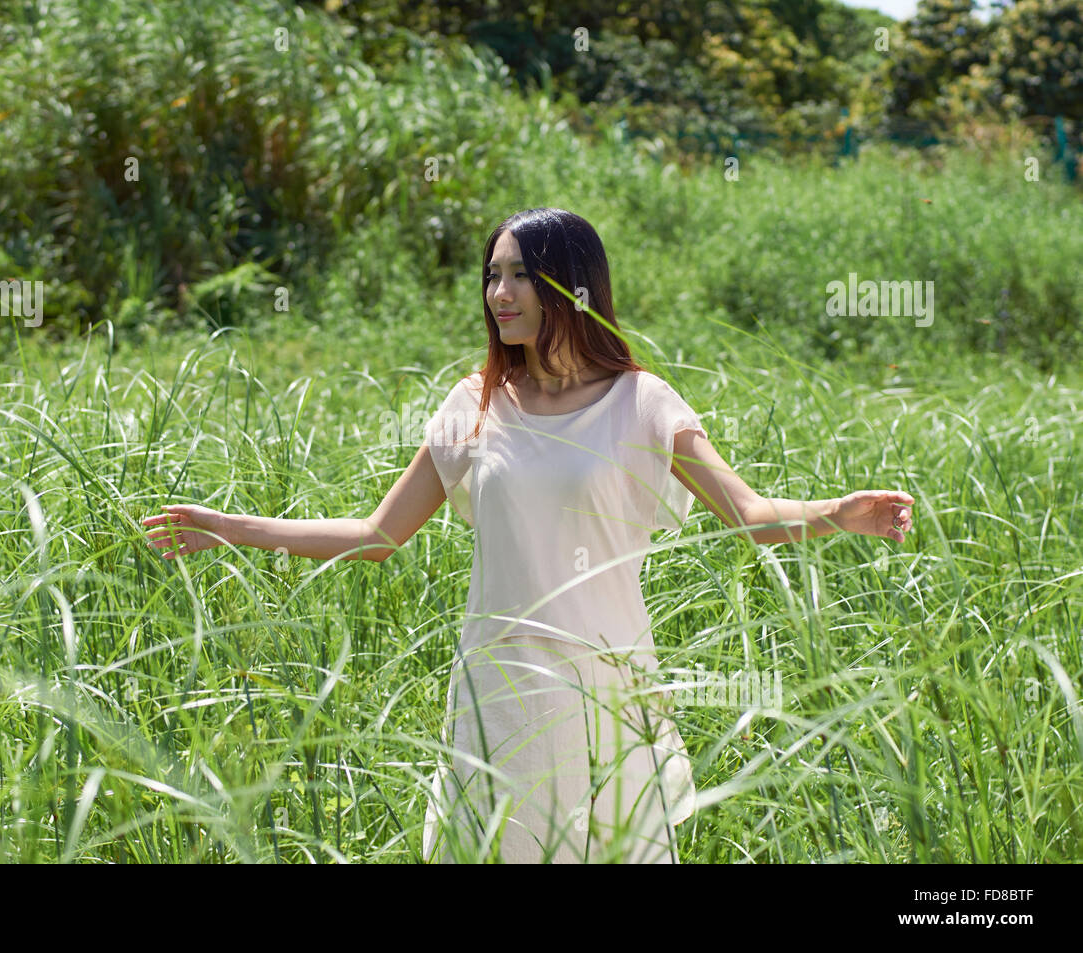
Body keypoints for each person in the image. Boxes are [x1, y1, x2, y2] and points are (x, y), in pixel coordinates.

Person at [139, 207, 915, 864]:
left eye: (517, 276)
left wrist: (837, 512)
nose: (498, 293)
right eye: (491, 275)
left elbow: (746, 513)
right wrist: (233, 528)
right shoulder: (474, 404)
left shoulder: (640, 403)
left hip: (606, 695)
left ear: (569, 289)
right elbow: (378, 534)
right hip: (498, 695)